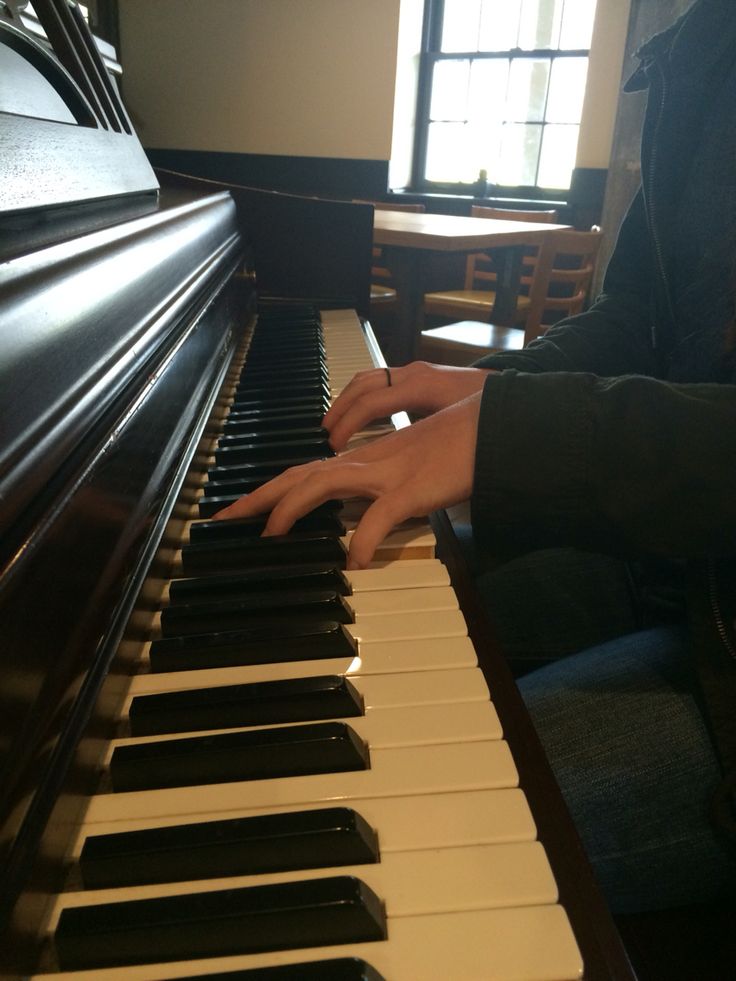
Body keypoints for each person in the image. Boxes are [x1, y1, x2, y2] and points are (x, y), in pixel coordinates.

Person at [218, 0, 736, 916]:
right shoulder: (708, 36)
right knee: (346, 664)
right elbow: (641, 318)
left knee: (400, 818)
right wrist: (492, 386)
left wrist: (522, 434)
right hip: (674, 559)